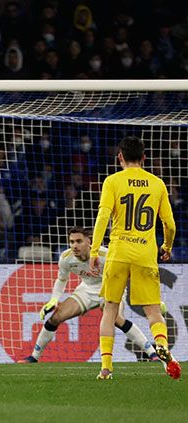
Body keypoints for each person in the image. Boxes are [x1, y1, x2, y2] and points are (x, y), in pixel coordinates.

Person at [89, 136, 180, 380]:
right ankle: (161, 345)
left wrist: (95, 250)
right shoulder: (157, 183)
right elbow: (169, 224)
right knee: (153, 312)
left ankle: (106, 368)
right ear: (144, 157)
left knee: (109, 310)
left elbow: (103, 217)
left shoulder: (112, 181)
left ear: (119, 156)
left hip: (118, 252)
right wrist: (167, 246)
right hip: (145, 254)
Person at [18, 226, 158, 363]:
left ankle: (152, 353)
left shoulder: (106, 255)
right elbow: (62, 279)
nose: (74, 246)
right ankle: (34, 356)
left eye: (79, 241)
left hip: (111, 289)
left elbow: (129, 274)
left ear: (89, 242)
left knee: (116, 319)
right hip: (86, 289)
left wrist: (148, 297)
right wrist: (53, 300)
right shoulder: (66, 258)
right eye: (72, 242)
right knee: (56, 317)